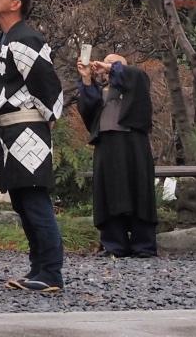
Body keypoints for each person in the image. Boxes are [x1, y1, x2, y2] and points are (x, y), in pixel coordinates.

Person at [0, 0, 65, 293]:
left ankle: (51, 272)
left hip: (28, 126)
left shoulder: (27, 38)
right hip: (7, 126)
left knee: (34, 198)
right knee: (21, 200)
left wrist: (50, 117)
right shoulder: (0, 39)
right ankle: (38, 268)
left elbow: (47, 82)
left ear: (16, 3)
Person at [73, 52, 156, 258]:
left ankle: (143, 245)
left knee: (138, 191)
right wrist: (86, 77)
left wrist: (110, 66)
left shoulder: (137, 81)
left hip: (133, 144)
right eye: (106, 63)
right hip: (106, 144)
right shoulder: (102, 91)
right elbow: (87, 108)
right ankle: (114, 244)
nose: (107, 67)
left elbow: (133, 74)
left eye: (114, 65)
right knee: (108, 193)